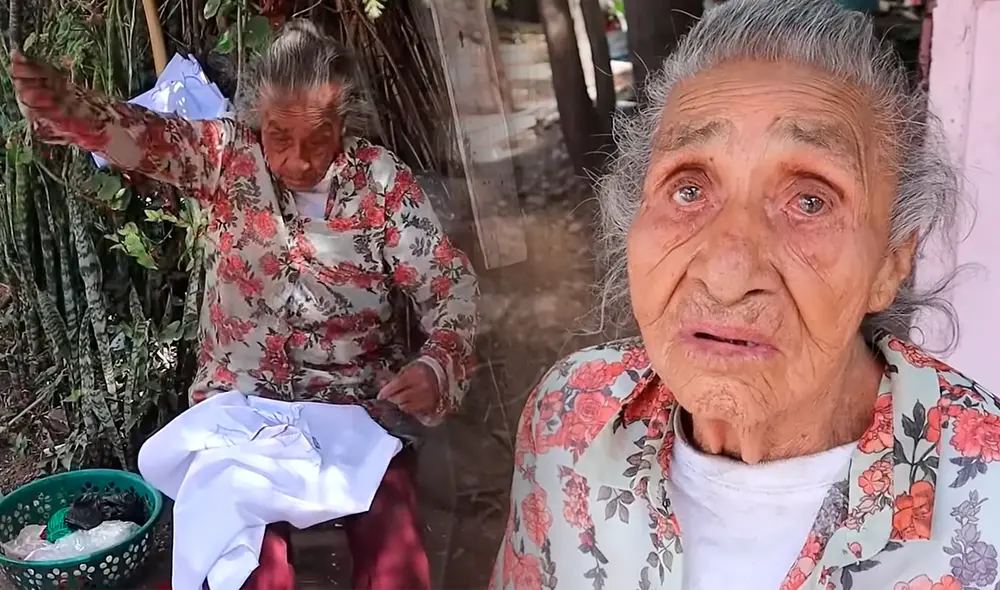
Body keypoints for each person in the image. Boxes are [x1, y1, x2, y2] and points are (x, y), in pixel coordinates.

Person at [491, 1, 1000, 589]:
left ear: (891, 261)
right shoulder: (568, 417)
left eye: (811, 201)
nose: (727, 275)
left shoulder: (984, 491)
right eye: (688, 189)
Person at [11, 19, 477, 590]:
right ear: (257, 119)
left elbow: (450, 287)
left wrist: (436, 365)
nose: (301, 160)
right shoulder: (228, 158)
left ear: (344, 122)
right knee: (246, 563)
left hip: (354, 412)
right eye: (280, 136)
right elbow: (144, 137)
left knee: (393, 547)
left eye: (319, 138)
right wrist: (73, 110)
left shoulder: (380, 183)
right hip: (241, 414)